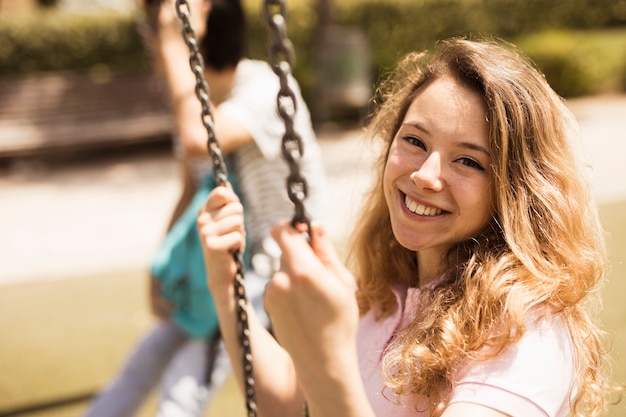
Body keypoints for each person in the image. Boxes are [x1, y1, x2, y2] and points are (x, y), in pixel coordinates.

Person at [198, 37, 622, 417]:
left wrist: (327, 360)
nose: (426, 175)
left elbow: (328, 392)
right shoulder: (388, 298)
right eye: (415, 141)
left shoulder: (525, 330)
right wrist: (226, 285)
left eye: (469, 161)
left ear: (516, 189)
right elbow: (291, 403)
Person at [84, 0, 325, 416]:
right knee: (143, 362)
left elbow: (199, 140)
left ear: (197, 37)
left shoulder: (264, 86)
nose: (151, 42)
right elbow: (188, 190)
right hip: (218, 267)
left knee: (183, 386)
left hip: (270, 268)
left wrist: (176, 42)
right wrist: (161, 265)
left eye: (155, 31)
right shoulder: (197, 107)